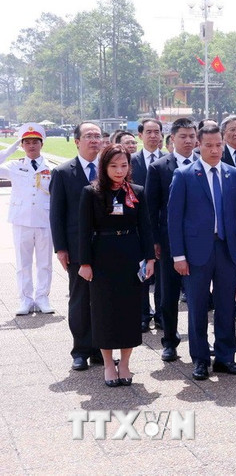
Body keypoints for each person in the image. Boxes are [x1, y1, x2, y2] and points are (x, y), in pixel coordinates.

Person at [168, 123, 236, 381]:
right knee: (198, 306)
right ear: (198, 146)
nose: (214, 150)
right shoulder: (184, 175)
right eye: (209, 145)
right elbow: (174, 218)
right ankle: (200, 359)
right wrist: (178, 256)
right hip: (195, 252)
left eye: (218, 145)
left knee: (226, 305)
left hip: (227, 249)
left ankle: (226, 357)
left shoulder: (234, 174)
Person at [77, 144, 154, 387]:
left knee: (129, 312)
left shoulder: (137, 192)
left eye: (124, 165)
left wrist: (150, 258)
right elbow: (83, 231)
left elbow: (146, 228)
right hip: (102, 257)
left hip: (131, 256)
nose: (119, 171)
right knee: (104, 311)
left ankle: (126, 363)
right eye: (113, 166)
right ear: (104, 167)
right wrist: (85, 262)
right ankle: (109, 363)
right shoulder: (92, 192)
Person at [51, 122, 104, 371]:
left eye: (98, 136)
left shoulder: (110, 169)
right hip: (76, 248)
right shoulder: (63, 172)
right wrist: (60, 248)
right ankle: (81, 350)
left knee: (104, 299)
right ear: (77, 141)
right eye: (89, 136)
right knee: (80, 299)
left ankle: (100, 349)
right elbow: (56, 214)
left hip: (107, 246)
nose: (94, 140)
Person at [146, 118, 197, 363]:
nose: (188, 141)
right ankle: (169, 341)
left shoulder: (204, 162)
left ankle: (199, 340)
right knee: (169, 293)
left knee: (199, 293)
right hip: (169, 241)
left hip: (200, 240)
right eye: (183, 136)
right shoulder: (159, 167)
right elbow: (151, 208)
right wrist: (154, 240)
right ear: (173, 139)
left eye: (191, 136)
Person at [0, 124, 54, 315]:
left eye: (35, 142)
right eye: (27, 142)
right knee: (23, 264)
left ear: (42, 144)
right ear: (22, 145)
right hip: (21, 220)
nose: (31, 146)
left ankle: (42, 298)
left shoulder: (51, 168)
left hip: (44, 221)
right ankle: (25, 299)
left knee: (45, 263)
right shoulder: (15, 166)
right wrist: (9, 149)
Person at [131, 118, 165, 333]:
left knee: (162, 274)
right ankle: (143, 313)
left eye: (157, 132)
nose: (153, 135)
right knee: (142, 272)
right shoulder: (130, 161)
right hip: (137, 225)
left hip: (162, 225)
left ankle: (162, 314)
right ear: (140, 135)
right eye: (149, 132)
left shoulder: (168, 161)